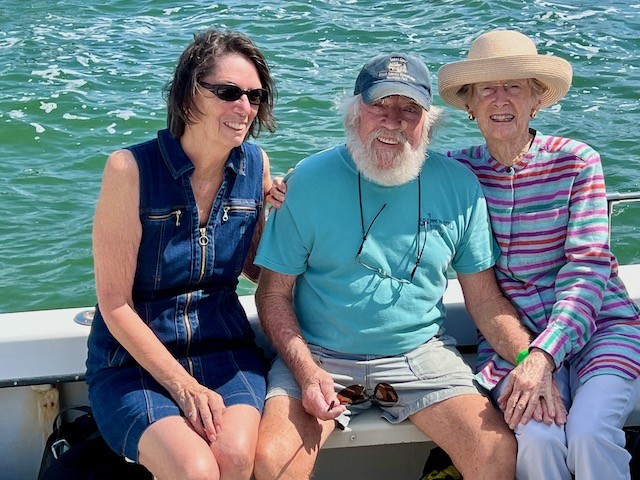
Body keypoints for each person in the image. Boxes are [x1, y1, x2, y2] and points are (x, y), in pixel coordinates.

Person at [252, 52, 541, 480]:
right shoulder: (307, 181)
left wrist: (529, 358)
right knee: (272, 461)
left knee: (496, 452)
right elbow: (272, 292)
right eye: (380, 105)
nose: (393, 122)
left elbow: (484, 301)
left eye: (409, 109)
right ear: (354, 112)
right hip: (318, 355)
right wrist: (307, 372)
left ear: (428, 122)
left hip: (421, 355)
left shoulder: (460, 185)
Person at [438, 29, 640, 479]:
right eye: (486, 88)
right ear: (469, 105)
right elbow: (385, 172)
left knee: (589, 432)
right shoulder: (455, 171)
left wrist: (545, 355)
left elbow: (587, 270)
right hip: (513, 340)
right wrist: (290, 186)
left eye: (514, 85)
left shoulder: (577, 161)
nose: (500, 98)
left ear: (536, 99)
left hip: (601, 327)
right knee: (539, 438)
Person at [85, 29, 276, 480]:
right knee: (194, 469)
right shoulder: (130, 170)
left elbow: (256, 271)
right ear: (189, 94)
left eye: (254, 96)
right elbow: (114, 304)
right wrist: (184, 386)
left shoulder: (256, 166)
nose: (245, 107)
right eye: (228, 93)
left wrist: (286, 217)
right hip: (133, 362)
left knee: (235, 457)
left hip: (224, 349)